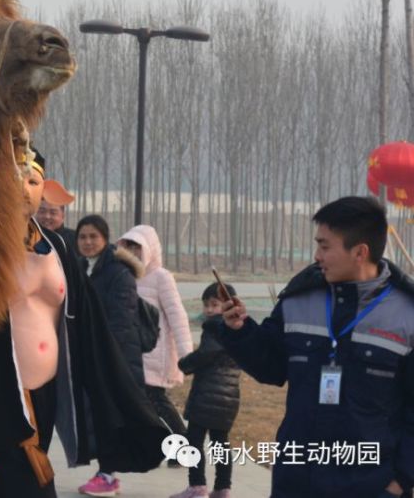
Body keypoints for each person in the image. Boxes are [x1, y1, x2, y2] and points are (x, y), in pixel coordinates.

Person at [0, 150, 168, 498]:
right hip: (3, 384)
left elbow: (88, 320)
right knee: (25, 471)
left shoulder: (58, 245)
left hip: (50, 386)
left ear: (46, 189)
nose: (24, 188)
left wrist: (115, 379)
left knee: (16, 478)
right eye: (15, 179)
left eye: (32, 180)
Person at [217, 196, 414, 498]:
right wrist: (239, 331)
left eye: (325, 246)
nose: (316, 255)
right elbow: (271, 368)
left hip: (371, 484)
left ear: (360, 252)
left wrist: (401, 480)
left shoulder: (406, 315)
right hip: (297, 479)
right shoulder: (299, 298)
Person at [75, 214, 146, 497]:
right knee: (99, 415)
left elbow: (121, 322)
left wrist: (105, 357)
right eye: (83, 237)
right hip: (92, 356)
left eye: (94, 236)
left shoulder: (119, 273)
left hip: (113, 358)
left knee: (110, 416)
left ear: (105, 240)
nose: (88, 242)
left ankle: (108, 475)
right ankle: (105, 472)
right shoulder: (81, 269)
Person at [120, 225, 193, 450]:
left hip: (156, 352)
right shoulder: (123, 276)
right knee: (140, 403)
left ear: (149, 249)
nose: (133, 253)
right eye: (128, 247)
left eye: (137, 248)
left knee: (157, 400)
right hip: (131, 352)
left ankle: (183, 441)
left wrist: (187, 355)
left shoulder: (161, 277)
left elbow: (177, 316)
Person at [169, 282, 241, 498]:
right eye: (206, 305)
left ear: (227, 304)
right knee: (221, 442)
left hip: (208, 395)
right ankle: (222, 488)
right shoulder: (239, 328)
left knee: (195, 440)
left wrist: (184, 364)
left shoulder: (214, 327)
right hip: (229, 396)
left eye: (214, 304)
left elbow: (206, 353)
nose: (209, 310)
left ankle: (197, 486)